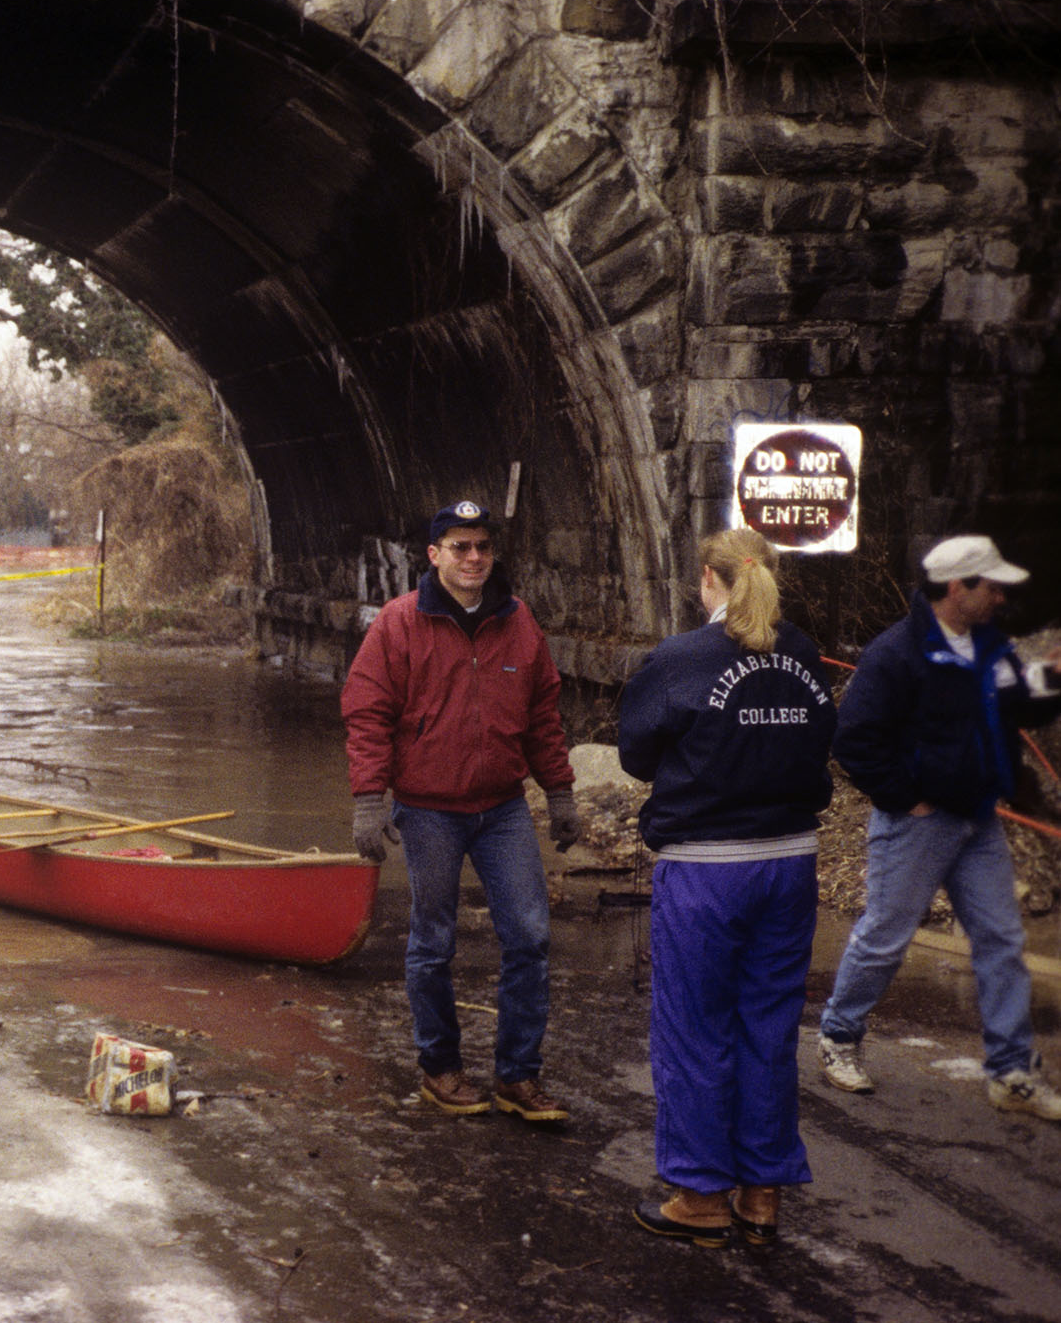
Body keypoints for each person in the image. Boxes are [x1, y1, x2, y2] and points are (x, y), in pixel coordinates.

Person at [617, 528, 837, 1249]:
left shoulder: (681, 659)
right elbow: (819, 738)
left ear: (706, 581)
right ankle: (760, 1192)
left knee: (693, 1027)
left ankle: (699, 1195)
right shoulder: (801, 652)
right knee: (766, 1027)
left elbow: (637, 755)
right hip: (790, 863)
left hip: (709, 867)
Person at [342, 500, 581, 1122]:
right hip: (428, 810)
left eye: (482, 547)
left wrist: (559, 793)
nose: (473, 558)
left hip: (502, 808)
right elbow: (367, 713)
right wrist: (369, 800)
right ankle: (440, 1068)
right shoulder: (398, 624)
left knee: (529, 937)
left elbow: (542, 717)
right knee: (433, 942)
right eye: (459, 547)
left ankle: (518, 1076)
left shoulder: (519, 622)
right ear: (434, 554)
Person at [816, 535, 1061, 1119]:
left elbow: (1016, 707)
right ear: (958, 588)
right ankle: (839, 1036)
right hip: (917, 824)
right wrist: (907, 799)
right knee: (884, 938)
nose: (1002, 596)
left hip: (978, 819)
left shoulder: (989, 647)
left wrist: (1050, 680)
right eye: (992, 585)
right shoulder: (895, 653)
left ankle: (1010, 1070)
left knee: (1002, 941)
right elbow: (853, 740)